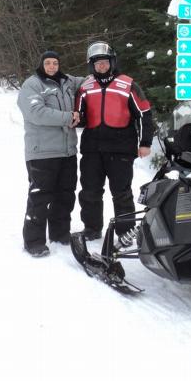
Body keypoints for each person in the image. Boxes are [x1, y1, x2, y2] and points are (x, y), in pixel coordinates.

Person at [75, 42, 154, 244]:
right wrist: (75, 119)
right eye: (97, 64)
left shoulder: (128, 84)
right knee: (90, 191)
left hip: (121, 148)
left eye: (105, 63)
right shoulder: (85, 86)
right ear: (91, 66)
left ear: (112, 63)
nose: (101, 67)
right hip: (92, 148)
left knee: (121, 193)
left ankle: (125, 231)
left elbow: (144, 114)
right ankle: (92, 228)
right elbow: (80, 115)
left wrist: (145, 142)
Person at [17, 51, 83, 257]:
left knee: (65, 194)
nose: (52, 66)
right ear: (41, 64)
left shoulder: (67, 82)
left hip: (67, 151)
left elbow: (88, 81)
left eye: (55, 62)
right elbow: (36, 113)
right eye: (48, 63)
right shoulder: (33, 85)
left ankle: (60, 233)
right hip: (42, 153)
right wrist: (68, 117)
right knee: (40, 198)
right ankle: (34, 241)